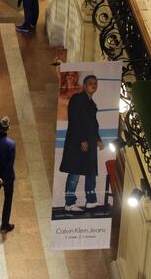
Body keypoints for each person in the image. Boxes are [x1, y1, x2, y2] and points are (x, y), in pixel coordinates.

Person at [59, 75, 103, 212]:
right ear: (84, 86)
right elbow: (75, 121)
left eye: (95, 83)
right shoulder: (77, 99)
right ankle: (69, 203)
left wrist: (98, 139)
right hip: (77, 143)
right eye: (90, 83)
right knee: (75, 172)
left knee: (90, 172)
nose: (94, 85)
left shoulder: (91, 103)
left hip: (89, 143)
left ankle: (91, 201)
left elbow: (93, 124)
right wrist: (82, 140)